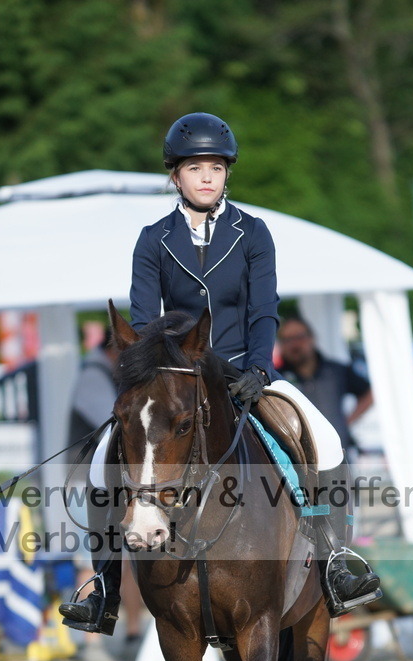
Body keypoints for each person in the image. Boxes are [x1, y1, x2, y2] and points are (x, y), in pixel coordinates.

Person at [60, 111, 380, 633]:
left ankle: (336, 558)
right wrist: (163, 373)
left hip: (244, 373)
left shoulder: (252, 233)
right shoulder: (153, 239)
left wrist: (258, 367)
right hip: (176, 377)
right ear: (175, 176)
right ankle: (104, 584)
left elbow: (263, 309)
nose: (206, 177)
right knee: (102, 461)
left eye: (215, 167)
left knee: (325, 437)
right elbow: (144, 320)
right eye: (195, 168)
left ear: (227, 172)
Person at [65, 326, 143, 661]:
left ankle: (132, 634)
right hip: (86, 487)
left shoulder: (107, 373)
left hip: (113, 486)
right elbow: (118, 422)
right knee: (90, 560)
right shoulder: (93, 375)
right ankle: (90, 641)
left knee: (132, 560)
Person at [278, 316, 374, 448]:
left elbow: (369, 394)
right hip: (297, 456)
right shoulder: (276, 378)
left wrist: (346, 423)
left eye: (299, 337)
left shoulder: (336, 371)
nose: (294, 344)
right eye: (287, 340)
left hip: (338, 452)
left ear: (312, 338)